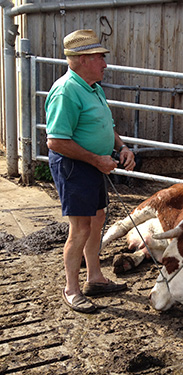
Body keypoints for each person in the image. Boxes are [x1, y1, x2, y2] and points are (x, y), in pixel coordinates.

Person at [45, 29, 136, 313]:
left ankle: (94, 277)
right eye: (100, 58)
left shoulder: (93, 87)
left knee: (97, 219)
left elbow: (106, 125)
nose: (105, 64)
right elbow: (56, 140)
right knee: (81, 227)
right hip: (75, 166)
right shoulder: (66, 90)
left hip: (94, 163)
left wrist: (122, 146)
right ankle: (71, 289)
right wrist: (97, 160)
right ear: (82, 59)